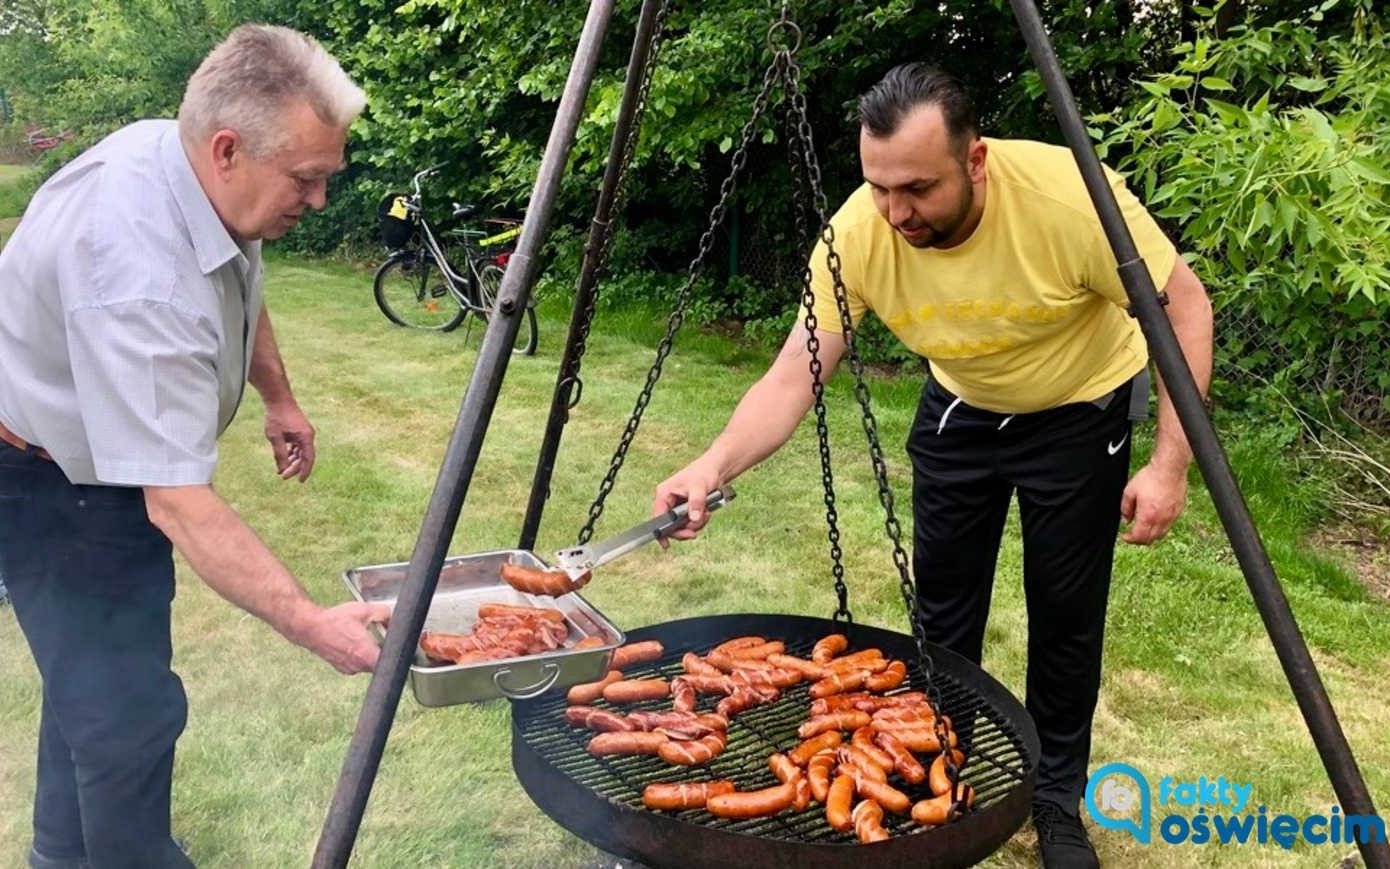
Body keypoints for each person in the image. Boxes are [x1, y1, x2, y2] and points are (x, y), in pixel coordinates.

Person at [653, 65, 1212, 868]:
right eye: (879, 187)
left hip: (1078, 407)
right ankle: (932, 772)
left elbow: (1184, 306)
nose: (896, 211)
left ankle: (1056, 801)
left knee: (1065, 615)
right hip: (961, 404)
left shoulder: (1067, 199)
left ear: (975, 160)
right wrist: (712, 463)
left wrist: (1169, 463)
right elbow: (792, 374)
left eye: (916, 188)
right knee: (944, 617)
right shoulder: (860, 232)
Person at [0, 25, 390, 869]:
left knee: (93, 686)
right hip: (42, 476)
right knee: (127, 711)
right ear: (227, 149)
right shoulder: (131, 268)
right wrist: (313, 624)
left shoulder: (190, 168)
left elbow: (236, 280)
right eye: (308, 180)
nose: (319, 201)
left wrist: (277, 395)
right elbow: (175, 497)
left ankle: (60, 857)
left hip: (77, 454)